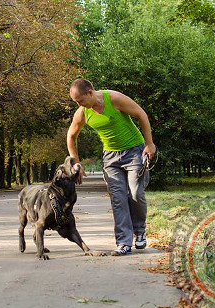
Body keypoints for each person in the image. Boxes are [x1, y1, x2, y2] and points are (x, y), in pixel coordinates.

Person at [67, 78, 156, 256]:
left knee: (135, 192)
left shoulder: (113, 98)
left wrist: (149, 144)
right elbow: (71, 136)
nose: (79, 104)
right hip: (111, 157)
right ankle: (124, 242)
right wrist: (75, 162)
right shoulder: (83, 112)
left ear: (90, 93)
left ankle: (139, 231)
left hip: (134, 151)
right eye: (76, 102)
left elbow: (141, 114)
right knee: (118, 198)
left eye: (80, 100)